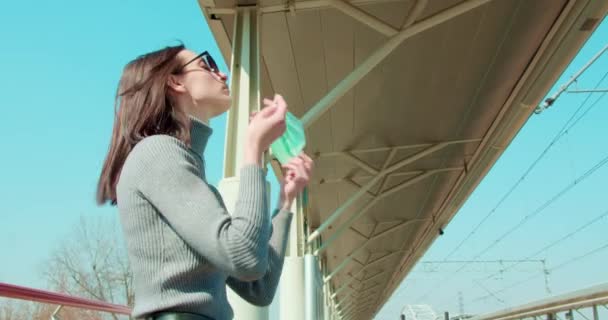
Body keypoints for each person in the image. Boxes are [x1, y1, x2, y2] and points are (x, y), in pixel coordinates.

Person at [96, 44, 313, 320]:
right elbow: (244, 257)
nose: (221, 74)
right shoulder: (158, 152)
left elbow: (259, 287)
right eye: (206, 64)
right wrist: (253, 147)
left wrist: (285, 201)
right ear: (175, 81)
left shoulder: (188, 174)